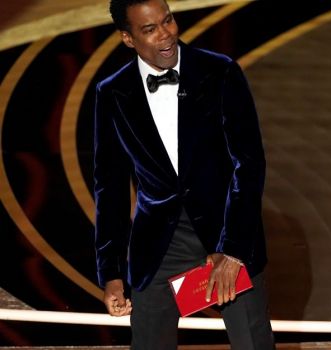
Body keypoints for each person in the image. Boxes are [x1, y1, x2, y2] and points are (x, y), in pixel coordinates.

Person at [93, 0, 275, 349]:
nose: (166, 34)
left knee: (252, 342)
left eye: (168, 21)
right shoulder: (111, 93)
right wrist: (112, 272)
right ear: (127, 38)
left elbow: (249, 164)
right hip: (160, 244)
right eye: (150, 29)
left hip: (227, 231)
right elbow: (110, 187)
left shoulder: (220, 72)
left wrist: (233, 250)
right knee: (148, 341)